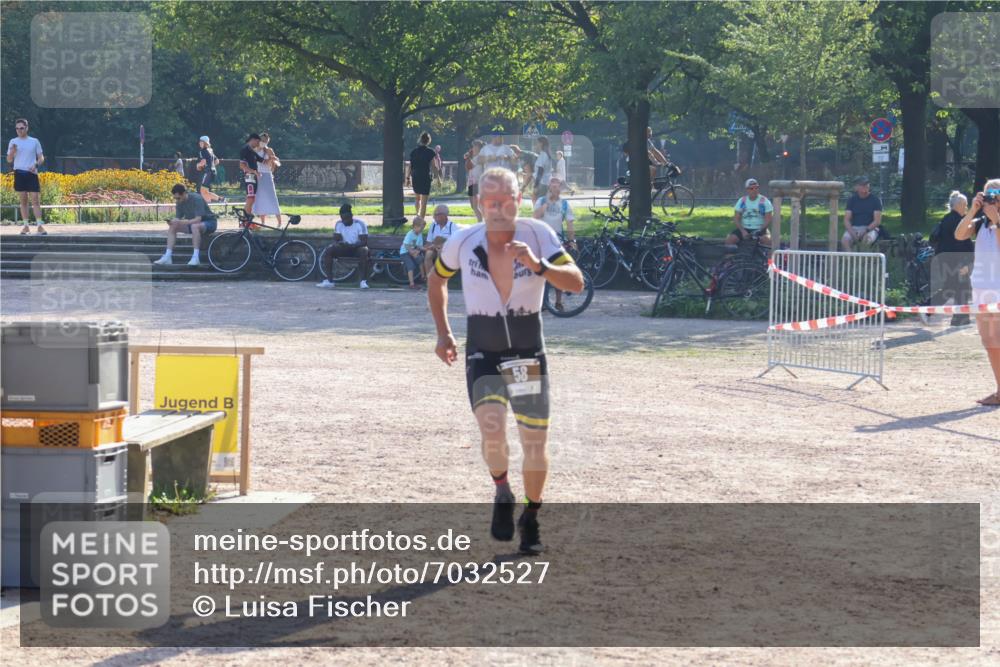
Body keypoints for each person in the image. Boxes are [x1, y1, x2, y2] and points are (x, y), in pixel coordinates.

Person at [427, 168, 585, 555]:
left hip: (527, 352)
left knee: (534, 443)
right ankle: (501, 490)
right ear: (479, 203)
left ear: (519, 199)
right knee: (492, 429)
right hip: (484, 350)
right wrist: (443, 333)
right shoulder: (463, 241)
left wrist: (539, 266)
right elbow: (437, 280)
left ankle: (531, 515)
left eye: (506, 200)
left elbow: (577, 282)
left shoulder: (539, 235)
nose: (498, 208)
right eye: (490, 201)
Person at [955, 179, 1000, 406]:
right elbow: (959, 234)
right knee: (990, 341)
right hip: (982, 289)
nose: (991, 198)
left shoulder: (995, 221)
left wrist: (998, 221)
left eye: (995, 194)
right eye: (987, 195)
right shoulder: (980, 222)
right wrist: (973, 209)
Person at [928, 191, 974, 327]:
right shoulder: (957, 221)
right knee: (960, 288)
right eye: (965, 205)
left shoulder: (946, 219)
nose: (966, 207)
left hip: (946, 260)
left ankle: (959, 318)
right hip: (955, 260)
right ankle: (926, 309)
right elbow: (961, 244)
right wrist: (966, 264)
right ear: (959, 205)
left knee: (955, 288)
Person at [533, 177, 577, 311]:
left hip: (558, 241)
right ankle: (542, 303)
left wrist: (572, 240)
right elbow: (535, 216)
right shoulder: (541, 201)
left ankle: (558, 302)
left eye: (557, 187)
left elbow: (570, 223)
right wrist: (547, 203)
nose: (555, 190)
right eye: (553, 187)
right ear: (549, 188)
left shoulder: (564, 204)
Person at [153, 184, 218, 266]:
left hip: (209, 222)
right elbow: (178, 218)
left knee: (195, 226)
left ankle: (195, 257)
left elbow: (198, 219)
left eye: (178, 198)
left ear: (184, 193)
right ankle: (167, 256)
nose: (177, 200)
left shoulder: (196, 199)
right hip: (193, 224)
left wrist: (180, 222)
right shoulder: (179, 202)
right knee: (173, 226)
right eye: (175, 198)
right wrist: (173, 222)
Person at [6, 118, 46, 235]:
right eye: (17, 128)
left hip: (31, 173)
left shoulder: (34, 141)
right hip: (19, 173)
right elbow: (9, 160)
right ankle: (26, 226)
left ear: (27, 128)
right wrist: (12, 151)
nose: (19, 130)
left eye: (21, 128)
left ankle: (39, 226)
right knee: (23, 201)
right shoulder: (13, 141)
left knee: (35, 200)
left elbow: (41, 158)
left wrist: (35, 164)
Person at [317, 203, 370, 289]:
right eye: (342, 218)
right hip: (344, 249)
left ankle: (363, 281)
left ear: (351, 216)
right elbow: (336, 239)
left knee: (364, 250)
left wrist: (353, 245)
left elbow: (364, 242)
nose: (344, 221)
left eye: (346, 218)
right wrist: (339, 242)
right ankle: (330, 281)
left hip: (356, 249)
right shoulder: (339, 224)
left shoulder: (360, 224)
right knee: (329, 250)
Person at [726, 178, 773, 249]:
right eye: (751, 188)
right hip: (745, 228)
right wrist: (743, 231)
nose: (754, 190)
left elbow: (768, 219)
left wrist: (759, 230)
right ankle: (731, 259)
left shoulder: (764, 201)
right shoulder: (742, 201)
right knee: (729, 240)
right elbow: (736, 218)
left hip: (760, 228)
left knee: (768, 241)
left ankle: (768, 260)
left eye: (756, 188)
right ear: (747, 190)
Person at [841, 176, 883, 251]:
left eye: (867, 185)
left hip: (870, 229)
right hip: (854, 228)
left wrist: (865, 231)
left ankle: (862, 261)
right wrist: (853, 233)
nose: (865, 187)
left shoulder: (875, 200)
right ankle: (851, 259)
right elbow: (846, 220)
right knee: (845, 241)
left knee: (866, 240)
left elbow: (877, 221)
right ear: (856, 187)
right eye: (862, 185)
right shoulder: (852, 200)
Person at [405, 131, 440, 220]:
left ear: (420, 140)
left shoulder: (414, 152)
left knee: (417, 198)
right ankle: (421, 219)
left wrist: (408, 178)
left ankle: (417, 214)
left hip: (415, 176)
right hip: (425, 177)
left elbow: (410, 166)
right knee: (424, 202)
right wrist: (438, 178)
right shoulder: (430, 152)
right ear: (429, 141)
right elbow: (434, 166)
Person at [252, 132, 282, 226]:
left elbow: (275, 162)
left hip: (267, 175)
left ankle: (279, 223)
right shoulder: (254, 150)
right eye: (262, 140)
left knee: (272, 197)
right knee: (260, 198)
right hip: (258, 175)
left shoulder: (269, 150)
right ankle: (263, 223)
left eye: (265, 141)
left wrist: (272, 159)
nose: (263, 142)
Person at [422, 204, 459, 280]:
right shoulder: (433, 225)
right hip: (434, 247)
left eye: (436, 214)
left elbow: (455, 243)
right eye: (434, 214)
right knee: (428, 254)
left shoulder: (452, 226)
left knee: (440, 253)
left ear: (444, 216)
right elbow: (429, 241)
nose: (434, 217)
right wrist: (429, 247)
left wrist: (442, 246)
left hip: (447, 249)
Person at [400, 216, 427, 289]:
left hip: (413, 251)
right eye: (421, 228)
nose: (422, 230)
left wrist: (424, 249)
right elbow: (406, 245)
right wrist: (412, 252)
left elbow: (419, 246)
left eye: (423, 228)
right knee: (410, 265)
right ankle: (412, 283)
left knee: (420, 259)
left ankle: (423, 276)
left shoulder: (420, 234)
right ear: (415, 226)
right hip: (405, 252)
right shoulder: (410, 234)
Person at [195, 136, 222, 203]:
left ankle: (220, 199)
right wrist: (211, 166)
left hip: (208, 172)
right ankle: (209, 205)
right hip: (213, 172)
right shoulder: (210, 150)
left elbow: (203, 162)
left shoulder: (202, 151)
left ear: (205, 143)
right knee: (205, 191)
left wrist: (198, 165)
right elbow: (217, 161)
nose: (199, 143)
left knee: (202, 191)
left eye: (201, 142)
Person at [464, 140, 485, 222]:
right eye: (472, 146)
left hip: (476, 182)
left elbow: (468, 166)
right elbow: (468, 167)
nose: (472, 148)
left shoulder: (478, 157)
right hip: (472, 182)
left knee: (475, 206)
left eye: (474, 146)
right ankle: (481, 222)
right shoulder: (475, 157)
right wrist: (468, 157)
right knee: (474, 206)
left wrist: (468, 157)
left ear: (478, 147)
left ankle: (480, 224)